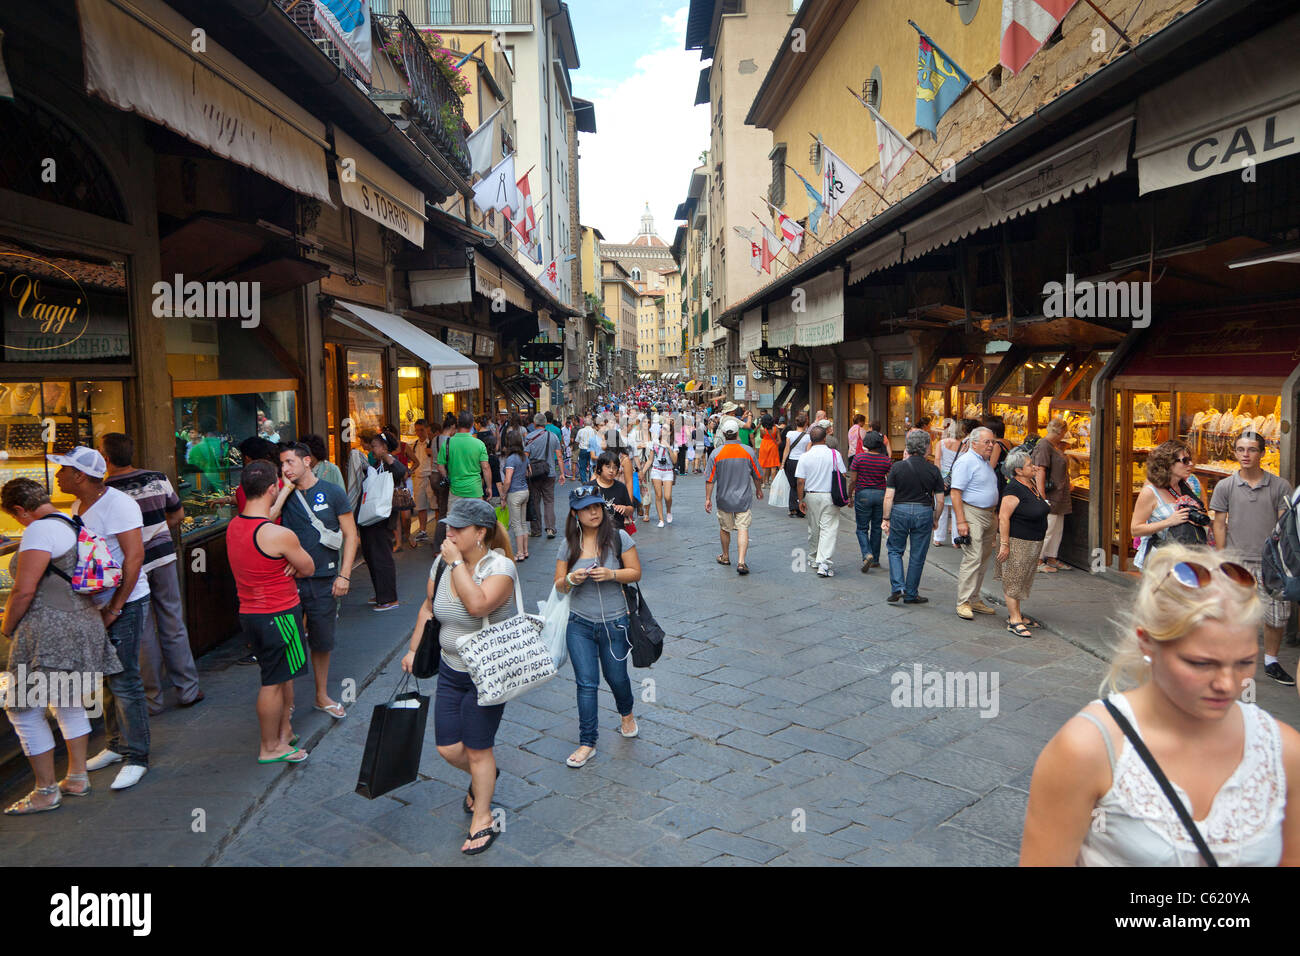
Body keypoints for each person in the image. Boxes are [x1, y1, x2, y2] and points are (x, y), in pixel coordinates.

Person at [1020, 542, 1300, 865]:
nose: (1227, 684)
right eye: (1200, 663)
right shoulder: (1086, 750)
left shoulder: (1284, 752)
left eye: (1244, 662)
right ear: (1147, 642)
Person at [401, 498, 518, 855]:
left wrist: (456, 564)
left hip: (488, 674)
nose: (447, 532)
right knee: (448, 747)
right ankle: (486, 777)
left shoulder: (501, 568)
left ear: (480, 532)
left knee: (479, 748)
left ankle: (482, 817)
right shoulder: (440, 563)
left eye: (457, 528)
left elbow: (478, 605)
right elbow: (428, 606)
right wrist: (412, 647)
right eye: (448, 526)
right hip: (451, 669)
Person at [1, 478, 123, 814]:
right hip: (81, 623)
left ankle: (45, 790)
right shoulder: (72, 521)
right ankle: (77, 777)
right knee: (67, 703)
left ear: (20, 510)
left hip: (48, 631)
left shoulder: (38, 531)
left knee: (22, 709)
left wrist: (7, 627)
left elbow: (24, 591)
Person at [50, 447, 151, 791]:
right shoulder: (77, 506)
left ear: (80, 475)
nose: (58, 475)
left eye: (63, 470)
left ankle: (137, 756)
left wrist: (116, 607)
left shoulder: (120, 505)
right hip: (99, 605)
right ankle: (115, 745)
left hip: (127, 602)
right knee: (108, 679)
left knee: (125, 680)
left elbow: (135, 558)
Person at [100, 433, 203, 716]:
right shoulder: (156, 478)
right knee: (173, 621)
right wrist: (155, 532)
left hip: (129, 566)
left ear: (107, 458)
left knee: (143, 631)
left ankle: (152, 700)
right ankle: (188, 690)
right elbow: (178, 515)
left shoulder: (105, 490)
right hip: (163, 557)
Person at [228, 461, 316, 765]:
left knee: (280, 676)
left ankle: (284, 733)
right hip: (278, 614)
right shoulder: (278, 535)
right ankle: (270, 747)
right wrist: (290, 564)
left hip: (250, 613)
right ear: (272, 489)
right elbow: (308, 567)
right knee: (272, 681)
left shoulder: (234, 526)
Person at [554, 485, 641, 770]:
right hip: (578, 623)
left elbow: (636, 572)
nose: (593, 512)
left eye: (596, 507)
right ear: (574, 513)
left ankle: (626, 713)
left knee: (617, 678)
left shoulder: (619, 537)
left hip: (615, 622)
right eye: (586, 508)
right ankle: (587, 742)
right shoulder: (568, 544)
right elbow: (559, 585)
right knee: (586, 684)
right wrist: (573, 579)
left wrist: (612, 574)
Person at [276, 442, 360, 717]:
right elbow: (265, 522)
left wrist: (344, 574)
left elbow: (351, 534)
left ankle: (321, 695)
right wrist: (285, 489)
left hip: (325, 577)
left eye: (289, 462)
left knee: (322, 641)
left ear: (307, 461)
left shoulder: (332, 492)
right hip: (289, 581)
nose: (285, 469)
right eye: (282, 464)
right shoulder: (282, 494)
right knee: (288, 640)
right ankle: (287, 702)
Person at [1210, 431, 1297, 686]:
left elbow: (1284, 526)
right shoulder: (1225, 486)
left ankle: (1271, 661)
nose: (1245, 455)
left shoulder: (1280, 486)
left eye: (1251, 450)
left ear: (1262, 453)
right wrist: (1221, 558)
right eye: (1240, 449)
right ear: (1235, 452)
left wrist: (1282, 560)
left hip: (1271, 563)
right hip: (1237, 561)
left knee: (1276, 615)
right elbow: (1219, 524)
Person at [882, 430, 945, 603]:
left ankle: (898, 586)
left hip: (900, 510)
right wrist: (936, 518)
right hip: (924, 511)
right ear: (926, 448)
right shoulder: (933, 470)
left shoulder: (897, 467)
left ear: (908, 447)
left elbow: (889, 496)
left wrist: (886, 518)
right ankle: (911, 593)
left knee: (895, 549)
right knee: (918, 554)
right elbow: (940, 500)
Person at [996, 448, 1051, 636]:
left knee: (1023, 579)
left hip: (1033, 541)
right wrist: (1004, 544)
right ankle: (1014, 620)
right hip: (1017, 541)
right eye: (1029, 465)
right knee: (1014, 579)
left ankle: (1017, 613)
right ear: (1018, 470)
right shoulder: (1013, 488)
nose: (1034, 467)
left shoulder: (1031, 484)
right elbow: (1003, 517)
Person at [1131, 440, 1209, 571]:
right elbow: (1135, 529)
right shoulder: (1150, 492)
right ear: (1168, 463)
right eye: (1185, 460)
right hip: (1161, 562)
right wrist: (1169, 522)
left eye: (1190, 460)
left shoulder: (1185, 487)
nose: (1190, 464)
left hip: (1187, 557)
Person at [950, 427, 1000, 620]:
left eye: (992, 442)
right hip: (973, 514)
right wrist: (961, 521)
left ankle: (974, 598)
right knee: (973, 558)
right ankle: (963, 602)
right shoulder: (966, 461)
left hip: (988, 515)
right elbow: (956, 493)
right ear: (974, 442)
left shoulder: (984, 462)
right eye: (987, 442)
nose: (991, 446)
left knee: (983, 559)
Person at [704, 417, 763, 574]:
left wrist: (708, 498)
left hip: (724, 498)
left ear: (723, 433)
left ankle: (725, 556)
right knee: (743, 528)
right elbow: (757, 476)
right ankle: (741, 562)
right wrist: (758, 490)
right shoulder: (748, 451)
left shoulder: (716, 453)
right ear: (738, 433)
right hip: (743, 498)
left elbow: (710, 480)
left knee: (724, 528)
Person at [358, 433, 406, 612]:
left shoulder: (389, 462)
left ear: (384, 447)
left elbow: (401, 472)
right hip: (374, 516)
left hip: (383, 516)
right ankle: (381, 592)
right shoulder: (378, 464)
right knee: (372, 555)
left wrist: (386, 456)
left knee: (381, 556)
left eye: (375, 446)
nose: (372, 450)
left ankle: (389, 598)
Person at [795, 425, 847, 578]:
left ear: (811, 439)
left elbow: (800, 481)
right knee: (828, 529)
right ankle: (823, 563)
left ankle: (813, 557)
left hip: (811, 495)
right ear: (825, 438)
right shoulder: (834, 454)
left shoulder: (805, 456)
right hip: (830, 496)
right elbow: (843, 475)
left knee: (814, 526)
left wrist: (800, 499)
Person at [1032, 417, 1073, 572]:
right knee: (1048, 528)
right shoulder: (1044, 445)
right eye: (1064, 432)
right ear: (1061, 431)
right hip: (1051, 495)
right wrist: (1042, 495)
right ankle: (1037, 560)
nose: (1065, 436)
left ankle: (1051, 557)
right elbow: (1040, 470)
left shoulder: (1053, 446)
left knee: (1057, 528)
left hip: (1060, 494)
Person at [852, 430, 892, 573]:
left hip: (863, 494)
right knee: (876, 528)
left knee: (862, 528)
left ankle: (866, 553)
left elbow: (853, 479)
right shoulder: (886, 460)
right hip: (881, 495)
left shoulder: (859, 458)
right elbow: (890, 480)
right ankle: (875, 559)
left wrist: (850, 494)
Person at [437, 411, 492, 514]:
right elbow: (485, 467)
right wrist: (489, 487)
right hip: (475, 490)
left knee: (454, 523)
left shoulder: (448, 443)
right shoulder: (479, 444)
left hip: (455, 490)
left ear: (457, 424)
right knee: (476, 522)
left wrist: (447, 477)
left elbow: (440, 466)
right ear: (472, 425)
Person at [525, 413, 566, 539]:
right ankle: (550, 528)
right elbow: (559, 456)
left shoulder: (529, 437)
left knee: (535, 501)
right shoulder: (553, 436)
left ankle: (536, 530)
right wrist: (562, 473)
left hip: (534, 474)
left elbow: (525, 457)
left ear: (535, 423)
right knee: (549, 501)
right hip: (550, 473)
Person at [497, 429, 531, 560]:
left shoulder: (511, 459)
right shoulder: (524, 457)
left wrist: (503, 495)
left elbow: (507, 480)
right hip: (525, 491)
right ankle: (526, 551)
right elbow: (528, 473)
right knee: (523, 523)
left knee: (516, 524)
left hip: (515, 493)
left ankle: (520, 553)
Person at [933, 419, 961, 547]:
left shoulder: (941, 443)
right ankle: (956, 539)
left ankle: (938, 538)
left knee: (941, 507)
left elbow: (937, 460)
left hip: (943, 477)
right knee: (956, 508)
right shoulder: (963, 445)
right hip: (957, 478)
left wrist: (940, 479)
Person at [592, 451, 635, 532]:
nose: (611, 470)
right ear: (600, 468)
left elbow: (630, 508)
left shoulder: (621, 487)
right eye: (608, 467)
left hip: (617, 532)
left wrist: (625, 509)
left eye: (614, 468)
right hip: (596, 532)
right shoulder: (590, 487)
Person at [782, 413, 812, 517]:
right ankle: (801, 507)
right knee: (801, 484)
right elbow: (807, 451)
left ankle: (792, 508)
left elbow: (787, 449)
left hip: (791, 461)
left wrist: (782, 463)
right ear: (806, 423)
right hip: (802, 462)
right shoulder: (808, 437)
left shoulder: (790, 434)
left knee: (792, 485)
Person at [649, 417, 677, 527]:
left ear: (670, 432)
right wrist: (643, 470)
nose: (662, 430)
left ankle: (668, 510)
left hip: (668, 471)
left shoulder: (674, 444)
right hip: (656, 470)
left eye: (665, 429)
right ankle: (661, 519)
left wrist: (668, 447)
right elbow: (650, 460)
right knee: (658, 495)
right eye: (662, 428)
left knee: (667, 496)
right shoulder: (654, 443)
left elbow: (674, 460)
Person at [757, 414, 782, 490]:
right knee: (773, 466)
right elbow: (780, 440)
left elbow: (761, 437)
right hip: (773, 446)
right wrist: (776, 445)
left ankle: (763, 483)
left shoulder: (762, 430)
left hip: (764, 446)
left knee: (764, 466)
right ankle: (773, 484)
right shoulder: (776, 429)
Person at [576, 417, 596, 483]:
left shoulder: (581, 431)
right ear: (591, 424)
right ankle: (591, 480)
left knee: (582, 466)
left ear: (584, 423)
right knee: (591, 465)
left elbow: (577, 441)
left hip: (583, 449)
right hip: (592, 450)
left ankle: (584, 480)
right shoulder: (594, 431)